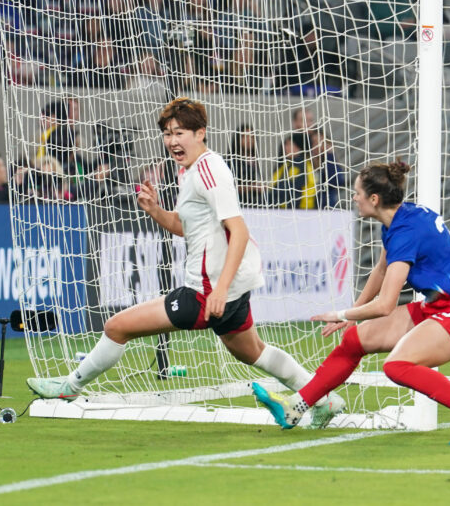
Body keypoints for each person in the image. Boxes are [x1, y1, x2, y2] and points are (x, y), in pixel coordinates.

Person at [26, 98, 344, 427]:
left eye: (179, 132)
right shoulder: (188, 170)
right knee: (253, 351)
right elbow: (186, 227)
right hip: (229, 286)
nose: (172, 141)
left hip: (208, 291)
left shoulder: (208, 169)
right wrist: (156, 211)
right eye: (166, 134)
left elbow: (238, 230)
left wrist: (219, 290)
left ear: (200, 133)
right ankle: (323, 398)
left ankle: (70, 387)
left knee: (116, 327)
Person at [252, 161, 450, 445]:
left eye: (358, 193)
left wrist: (341, 312)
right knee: (354, 340)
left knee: (397, 366)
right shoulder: (401, 219)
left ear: (374, 199)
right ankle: (298, 406)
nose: (354, 197)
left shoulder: (404, 232)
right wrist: (353, 316)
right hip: (440, 307)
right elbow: (381, 270)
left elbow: (385, 306)